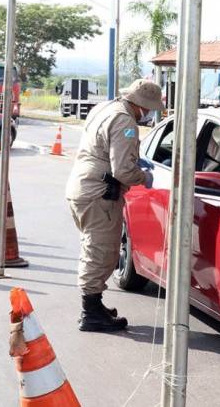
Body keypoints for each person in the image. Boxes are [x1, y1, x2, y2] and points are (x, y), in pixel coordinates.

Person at [65, 79, 165, 332]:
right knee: (100, 252)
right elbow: (122, 170)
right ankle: (91, 313)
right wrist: (144, 177)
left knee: (94, 248)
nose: (149, 113)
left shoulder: (106, 108)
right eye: (150, 108)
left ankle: (94, 306)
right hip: (99, 194)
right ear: (142, 105)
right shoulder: (125, 121)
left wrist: (134, 161)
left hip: (83, 187)